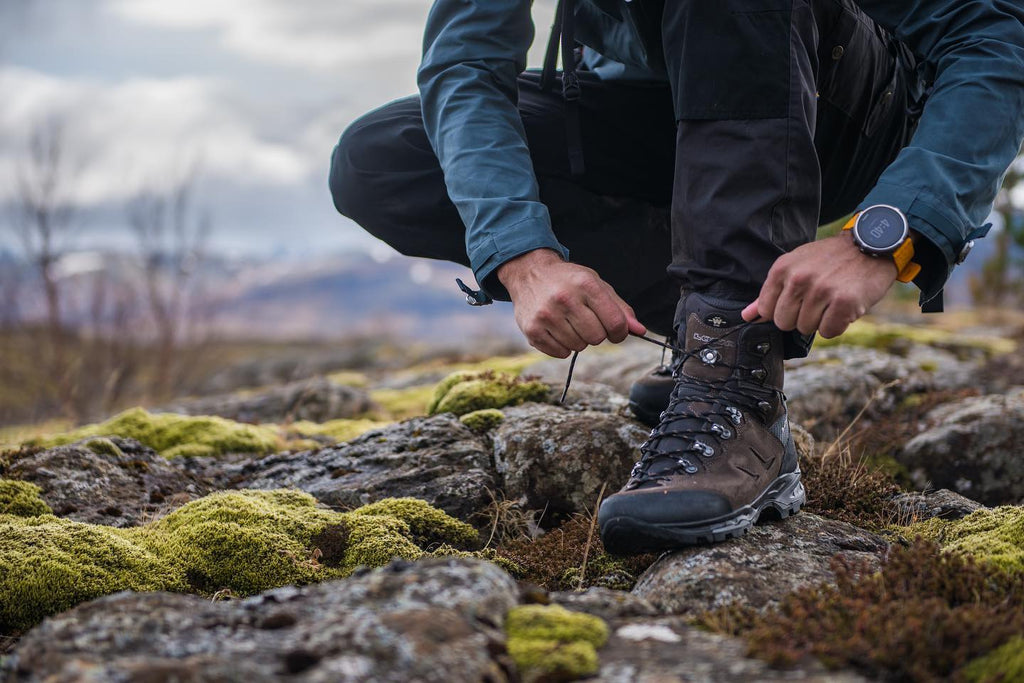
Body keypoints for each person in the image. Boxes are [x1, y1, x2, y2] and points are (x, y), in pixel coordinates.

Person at [329, 0, 1024, 554]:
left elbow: (995, 33)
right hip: (668, 109)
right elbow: (464, 67)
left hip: (842, 107)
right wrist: (522, 255)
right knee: (382, 160)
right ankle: (711, 332)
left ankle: (736, 384)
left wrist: (888, 232)